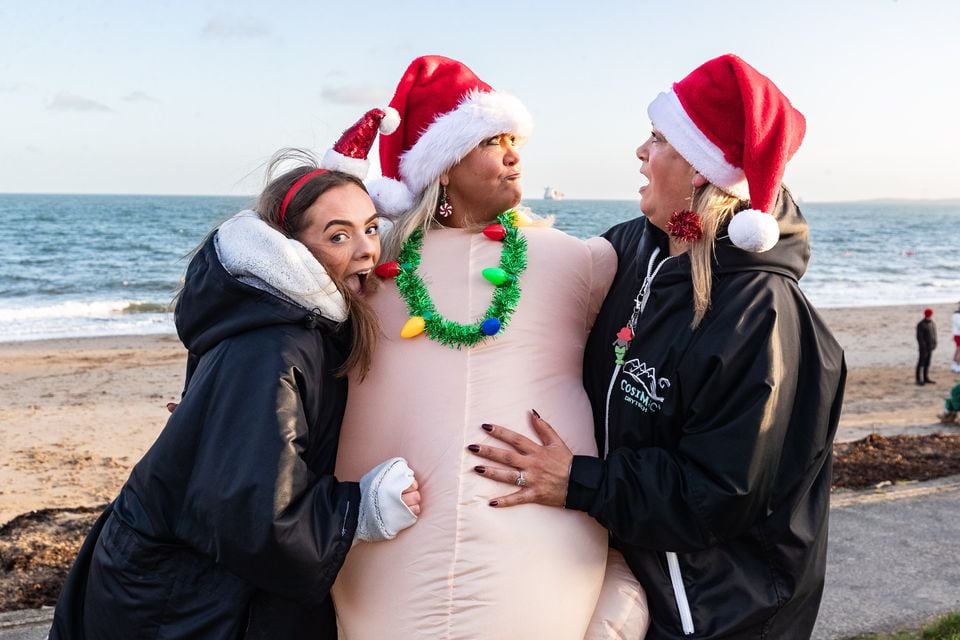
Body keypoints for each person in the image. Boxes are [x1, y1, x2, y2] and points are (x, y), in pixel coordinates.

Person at [470, 54, 847, 639]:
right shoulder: (639, 247)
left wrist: (578, 480)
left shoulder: (760, 315)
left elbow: (719, 493)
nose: (640, 153)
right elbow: (542, 267)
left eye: (659, 138)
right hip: (640, 582)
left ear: (699, 168)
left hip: (719, 611)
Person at [49, 109, 422, 639]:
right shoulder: (274, 344)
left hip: (194, 583)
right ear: (291, 251)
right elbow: (255, 513)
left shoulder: (284, 316)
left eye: (369, 228)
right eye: (338, 236)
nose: (366, 248)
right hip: (178, 597)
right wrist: (358, 511)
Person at [331, 55, 649, 639]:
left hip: (531, 522)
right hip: (393, 522)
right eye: (490, 141)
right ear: (443, 168)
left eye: (513, 140)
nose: (513, 154)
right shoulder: (369, 276)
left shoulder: (365, 275)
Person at [917, 307, 937, 385]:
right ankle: (918, 379)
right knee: (921, 363)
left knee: (927, 363)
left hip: (930, 347)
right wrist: (923, 346)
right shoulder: (921, 324)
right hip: (923, 348)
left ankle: (926, 378)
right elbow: (919, 337)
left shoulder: (932, 323)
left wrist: (934, 343)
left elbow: (934, 334)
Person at [951, 302, 960, 372]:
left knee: (957, 349)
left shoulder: (955, 315)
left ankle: (954, 365)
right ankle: (957, 365)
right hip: (958, 335)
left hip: (956, 334)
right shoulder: (957, 315)